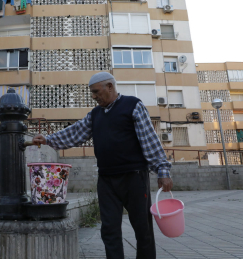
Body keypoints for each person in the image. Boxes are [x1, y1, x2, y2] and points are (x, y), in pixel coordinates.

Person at [32, 72, 173, 259]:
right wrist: (48, 139)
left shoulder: (133, 106)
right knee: (109, 229)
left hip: (134, 177)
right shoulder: (95, 114)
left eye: (96, 92)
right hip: (107, 180)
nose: (94, 96)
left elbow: (150, 141)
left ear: (109, 86)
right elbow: (75, 133)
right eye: (92, 93)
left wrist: (162, 170)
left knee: (143, 228)